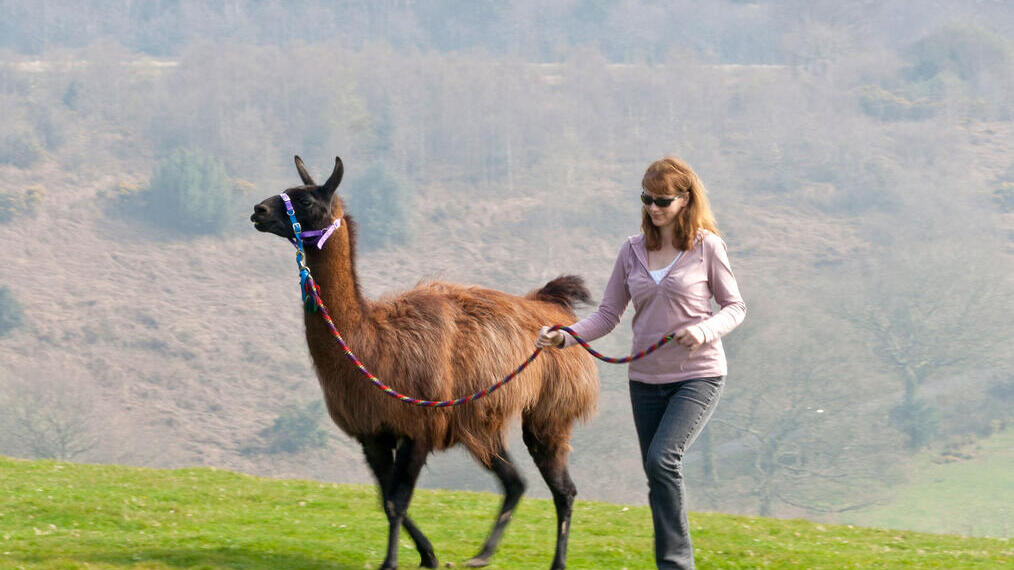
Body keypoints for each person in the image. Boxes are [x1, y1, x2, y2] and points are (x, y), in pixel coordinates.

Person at [536, 156, 746, 570]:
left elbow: (735, 307)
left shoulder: (707, 247)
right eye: (647, 199)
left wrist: (704, 330)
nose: (654, 208)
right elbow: (607, 316)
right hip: (646, 380)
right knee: (657, 475)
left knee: (662, 459)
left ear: (685, 200)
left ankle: (676, 564)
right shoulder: (631, 250)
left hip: (697, 375)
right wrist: (563, 336)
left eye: (663, 201)